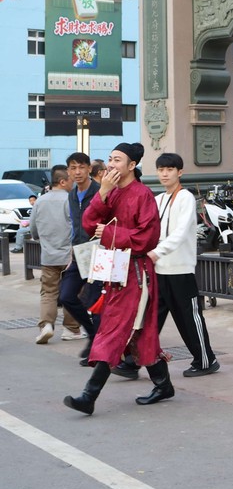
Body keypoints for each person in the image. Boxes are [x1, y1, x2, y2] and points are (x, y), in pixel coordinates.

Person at [64, 143, 175, 414]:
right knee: (139, 332)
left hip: (136, 273)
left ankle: (89, 396)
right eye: (110, 159)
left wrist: (110, 233)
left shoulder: (143, 195)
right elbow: (89, 225)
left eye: (117, 160)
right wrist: (102, 192)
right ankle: (163, 384)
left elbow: (148, 238)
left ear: (132, 165)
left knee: (115, 330)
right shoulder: (111, 192)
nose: (111, 165)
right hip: (116, 270)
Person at [113, 153, 218, 381]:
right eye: (161, 170)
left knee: (189, 319)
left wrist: (155, 252)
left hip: (180, 270)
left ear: (180, 172)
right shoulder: (158, 199)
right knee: (147, 319)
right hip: (157, 270)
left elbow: (179, 233)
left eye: (169, 169)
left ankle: (206, 360)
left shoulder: (185, 198)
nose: (164, 174)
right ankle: (132, 362)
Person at [29, 166, 83, 344]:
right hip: (69, 255)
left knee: (48, 292)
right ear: (62, 181)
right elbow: (77, 227)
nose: (73, 182)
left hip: (48, 255)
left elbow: (33, 229)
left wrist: (43, 239)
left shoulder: (40, 201)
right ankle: (71, 328)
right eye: (70, 179)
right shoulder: (70, 200)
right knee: (72, 291)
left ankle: (46, 325)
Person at [60, 152, 101, 355]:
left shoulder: (99, 191)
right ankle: (93, 334)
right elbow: (75, 226)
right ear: (68, 171)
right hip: (78, 254)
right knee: (66, 296)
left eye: (81, 167)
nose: (77, 172)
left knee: (95, 303)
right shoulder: (72, 193)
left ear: (89, 169)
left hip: (98, 253)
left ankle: (98, 348)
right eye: (73, 168)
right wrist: (71, 253)